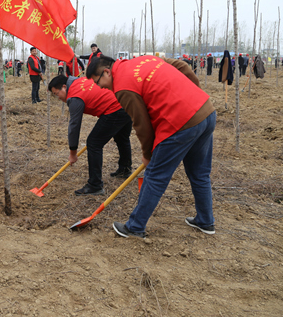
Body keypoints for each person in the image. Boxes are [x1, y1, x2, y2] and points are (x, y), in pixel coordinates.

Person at [87, 55, 216, 238]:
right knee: (200, 173)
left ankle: (135, 226)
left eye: (98, 82)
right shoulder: (144, 59)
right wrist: (195, 94)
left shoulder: (123, 88)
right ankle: (206, 221)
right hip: (206, 110)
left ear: (107, 72)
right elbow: (182, 66)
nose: (101, 87)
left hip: (180, 122)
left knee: (155, 175)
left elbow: (141, 124)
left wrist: (148, 154)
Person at [49, 74, 133, 195]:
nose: (58, 98)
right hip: (126, 101)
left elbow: (74, 126)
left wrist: (73, 153)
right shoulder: (79, 81)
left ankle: (95, 185)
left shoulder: (74, 96)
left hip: (114, 108)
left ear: (64, 87)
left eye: (57, 93)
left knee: (94, 143)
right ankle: (125, 169)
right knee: (122, 137)